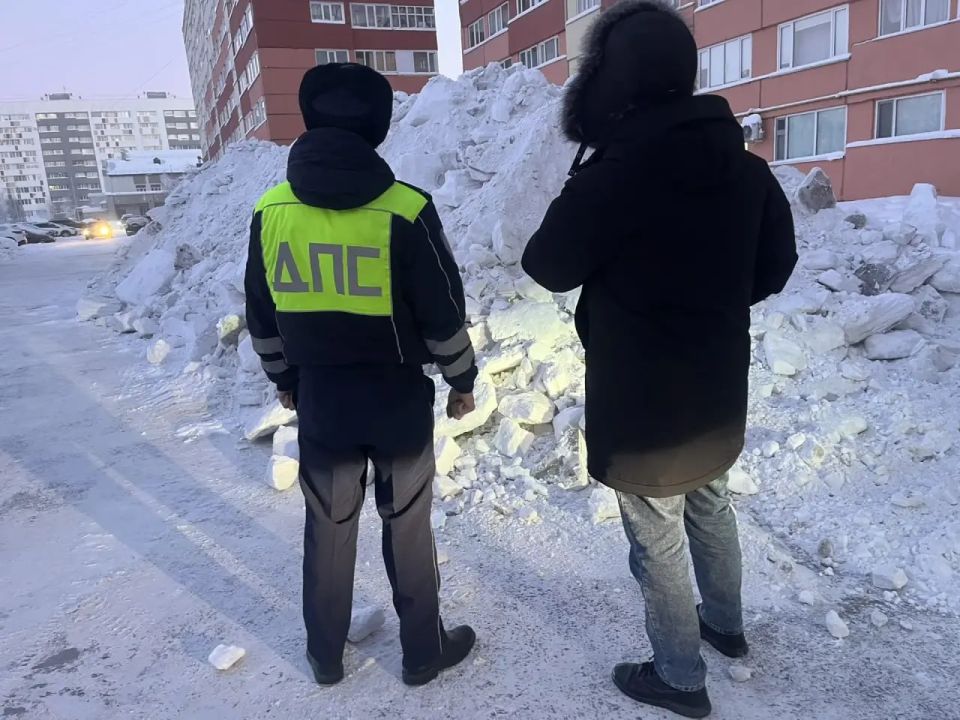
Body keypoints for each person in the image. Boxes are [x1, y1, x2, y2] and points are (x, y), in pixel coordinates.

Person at [522, 2, 798, 717]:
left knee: (657, 534)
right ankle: (726, 628)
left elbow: (548, 264)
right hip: (716, 388)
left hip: (641, 401)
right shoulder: (747, 170)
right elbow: (775, 266)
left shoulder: (616, 175)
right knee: (711, 500)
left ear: (612, 83)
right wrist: (713, 302)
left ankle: (679, 676)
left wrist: (584, 178)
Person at [244, 62, 478, 688]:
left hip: (322, 396)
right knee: (407, 526)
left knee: (327, 526)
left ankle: (325, 656)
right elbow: (442, 313)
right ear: (378, 128)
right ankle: (423, 654)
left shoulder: (271, 212)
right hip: (396, 397)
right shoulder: (406, 210)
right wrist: (461, 379)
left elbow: (262, 315)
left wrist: (283, 378)